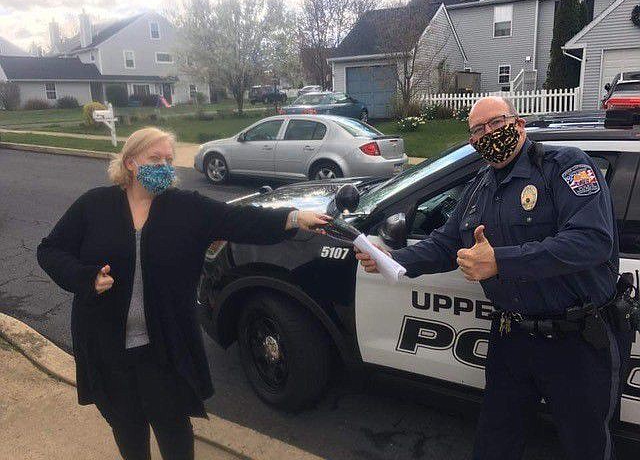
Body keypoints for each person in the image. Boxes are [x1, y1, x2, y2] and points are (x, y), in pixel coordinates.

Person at [356, 97, 633, 460]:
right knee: (496, 438)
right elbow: (445, 243)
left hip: (576, 341)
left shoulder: (565, 166)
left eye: (496, 123)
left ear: (518, 123)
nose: (489, 134)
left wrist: (500, 262)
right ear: (472, 142)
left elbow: (592, 240)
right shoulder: (479, 188)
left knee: (586, 444)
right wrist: (395, 260)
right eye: (479, 130)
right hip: (512, 337)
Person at [36, 127, 330, 460]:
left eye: (169, 160)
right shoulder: (94, 205)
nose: (164, 166)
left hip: (165, 349)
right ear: (131, 163)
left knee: (175, 434)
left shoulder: (186, 208)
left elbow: (239, 220)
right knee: (128, 432)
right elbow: (50, 250)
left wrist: (292, 217)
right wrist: (83, 277)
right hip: (107, 350)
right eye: (154, 159)